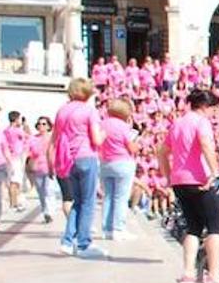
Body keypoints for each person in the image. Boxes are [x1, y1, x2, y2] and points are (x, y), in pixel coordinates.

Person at [159, 89, 219, 283]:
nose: (216, 113)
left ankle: (188, 272)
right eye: (215, 109)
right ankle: (214, 274)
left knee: (193, 226)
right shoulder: (201, 122)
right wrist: (215, 171)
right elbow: (206, 145)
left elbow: (162, 152)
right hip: (199, 179)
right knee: (214, 226)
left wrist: (168, 175)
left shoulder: (178, 123)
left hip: (179, 180)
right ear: (207, 107)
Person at [50, 77, 106, 258]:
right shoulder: (89, 111)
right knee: (88, 201)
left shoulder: (62, 111)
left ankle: (67, 241)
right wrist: (105, 133)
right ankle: (83, 243)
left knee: (77, 201)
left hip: (67, 158)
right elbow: (96, 139)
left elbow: (55, 138)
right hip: (86, 155)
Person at [99, 98, 139, 240]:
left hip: (105, 162)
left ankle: (106, 228)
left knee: (108, 196)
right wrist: (137, 143)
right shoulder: (123, 127)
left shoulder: (102, 124)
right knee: (121, 197)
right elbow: (132, 147)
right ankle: (119, 228)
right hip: (123, 162)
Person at [27, 116, 56, 224]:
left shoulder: (53, 138)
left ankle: (50, 212)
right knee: (41, 192)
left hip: (50, 167)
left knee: (49, 190)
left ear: (49, 126)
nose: (41, 126)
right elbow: (29, 153)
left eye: (44, 124)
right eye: (39, 124)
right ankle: (45, 211)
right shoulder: (33, 138)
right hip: (37, 168)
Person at [2, 110, 28, 213]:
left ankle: (15, 202)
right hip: (15, 157)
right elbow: (28, 136)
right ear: (17, 119)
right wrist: (25, 125)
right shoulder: (16, 130)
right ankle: (13, 203)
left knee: (14, 180)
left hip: (10, 157)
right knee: (14, 181)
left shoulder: (6, 130)